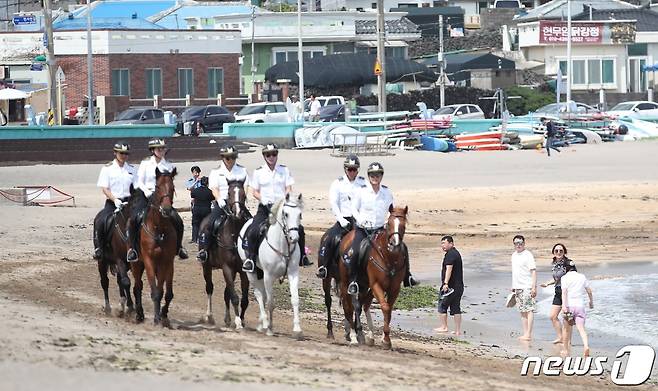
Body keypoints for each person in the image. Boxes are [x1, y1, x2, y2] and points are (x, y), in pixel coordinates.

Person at [242, 143, 311, 272]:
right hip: (265, 207)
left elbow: (289, 188)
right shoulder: (258, 172)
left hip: (281, 207)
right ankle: (251, 259)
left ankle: (302, 256)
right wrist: (263, 198)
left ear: (277, 155)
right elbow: (254, 191)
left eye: (274, 154)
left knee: (299, 229)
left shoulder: (284, 170)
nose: (271, 157)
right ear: (264, 156)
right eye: (268, 155)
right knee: (254, 229)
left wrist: (287, 198)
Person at [125, 138, 188, 262]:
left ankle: (179, 247)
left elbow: (169, 184)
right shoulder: (145, 163)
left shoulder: (169, 165)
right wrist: (148, 192)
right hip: (146, 196)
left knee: (178, 220)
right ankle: (132, 249)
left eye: (163, 148)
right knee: (133, 220)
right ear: (153, 150)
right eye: (158, 149)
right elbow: (139, 182)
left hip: (162, 198)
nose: (161, 151)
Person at [316, 154, 366, 279]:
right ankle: (325, 267)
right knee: (330, 239)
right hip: (344, 220)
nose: (352, 172)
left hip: (360, 221)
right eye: (350, 169)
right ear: (345, 169)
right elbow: (334, 203)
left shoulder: (364, 183)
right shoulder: (337, 184)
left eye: (354, 169)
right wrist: (341, 219)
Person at [197, 145, 248, 263]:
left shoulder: (242, 170)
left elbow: (246, 186)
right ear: (223, 158)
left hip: (238, 203)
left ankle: (252, 255)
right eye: (228, 158)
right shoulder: (216, 172)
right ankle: (204, 251)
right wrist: (219, 199)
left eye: (233, 157)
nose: (231, 160)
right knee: (209, 225)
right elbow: (214, 188)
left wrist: (243, 199)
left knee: (251, 224)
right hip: (222, 203)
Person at [92, 141, 135, 260]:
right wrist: (115, 200)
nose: (124, 156)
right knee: (101, 220)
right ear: (115, 153)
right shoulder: (107, 169)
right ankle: (99, 248)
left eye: (126, 154)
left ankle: (136, 250)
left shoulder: (132, 169)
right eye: (121, 153)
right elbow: (104, 188)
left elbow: (136, 188)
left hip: (129, 203)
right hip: (113, 203)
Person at [540, 243, 573, 344]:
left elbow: (574, 277)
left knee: (567, 317)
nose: (558, 253)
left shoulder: (569, 263)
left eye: (561, 251)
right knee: (553, 316)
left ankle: (568, 340)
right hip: (558, 292)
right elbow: (557, 279)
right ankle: (561, 337)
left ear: (564, 252)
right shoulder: (554, 263)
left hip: (567, 292)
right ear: (553, 252)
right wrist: (547, 283)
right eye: (556, 251)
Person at [560, 261, 593, 357]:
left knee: (566, 329)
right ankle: (586, 346)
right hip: (580, 306)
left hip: (569, 307)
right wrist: (591, 302)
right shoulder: (582, 276)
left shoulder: (564, 278)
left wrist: (564, 306)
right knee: (581, 329)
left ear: (566, 269)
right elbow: (589, 291)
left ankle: (565, 350)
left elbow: (564, 292)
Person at [510, 235, 537, 341]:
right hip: (517, 287)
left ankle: (528, 334)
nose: (519, 245)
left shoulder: (528, 255)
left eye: (520, 243)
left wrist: (533, 287)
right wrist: (513, 285)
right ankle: (525, 333)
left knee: (529, 310)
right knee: (522, 310)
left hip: (527, 286)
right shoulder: (514, 255)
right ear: (514, 244)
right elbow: (515, 272)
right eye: (516, 243)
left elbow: (533, 271)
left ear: (524, 243)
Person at [435, 235, 464, 336]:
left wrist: (445, 283)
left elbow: (449, 269)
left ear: (451, 244)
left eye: (444, 243)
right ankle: (457, 331)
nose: (442, 245)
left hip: (450, 287)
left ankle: (444, 327)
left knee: (442, 305)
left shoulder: (450, 254)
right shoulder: (456, 253)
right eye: (441, 243)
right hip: (459, 287)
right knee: (456, 307)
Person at [190, 176, 213, 244]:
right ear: (207, 183)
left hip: (197, 209)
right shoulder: (210, 192)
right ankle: (205, 237)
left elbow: (192, 195)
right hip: (206, 209)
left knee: (195, 224)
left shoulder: (195, 190)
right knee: (206, 224)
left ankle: (194, 239)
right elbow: (213, 199)